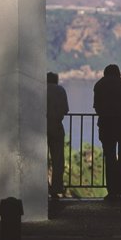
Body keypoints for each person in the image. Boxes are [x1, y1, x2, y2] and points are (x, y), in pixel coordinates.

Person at [93, 64, 121, 201]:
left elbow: (97, 107)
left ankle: (112, 191)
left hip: (107, 126)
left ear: (105, 73)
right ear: (119, 73)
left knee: (110, 158)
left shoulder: (99, 85)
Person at [47, 71, 69, 199]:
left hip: (41, 127)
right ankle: (56, 189)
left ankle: (42, 187)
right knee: (58, 160)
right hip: (56, 127)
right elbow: (65, 110)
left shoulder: (40, 90)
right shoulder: (61, 90)